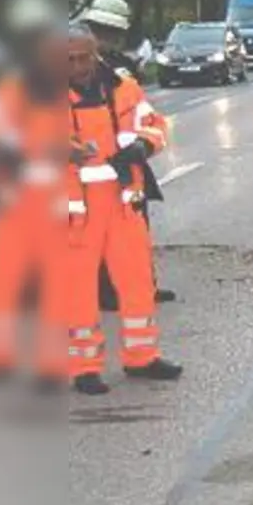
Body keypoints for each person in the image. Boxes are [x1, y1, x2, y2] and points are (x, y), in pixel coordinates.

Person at [0, 0, 71, 391]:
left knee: (54, 287)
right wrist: (0, 151)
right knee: (2, 280)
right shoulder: (16, 87)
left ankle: (50, 366)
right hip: (14, 199)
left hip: (54, 201)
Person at [64, 26, 183, 395]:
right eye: (69, 60)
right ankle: (85, 368)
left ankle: (142, 356)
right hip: (76, 210)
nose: (77, 66)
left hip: (123, 202)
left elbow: (155, 125)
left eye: (84, 57)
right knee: (78, 290)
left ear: (95, 52)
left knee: (137, 282)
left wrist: (143, 147)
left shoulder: (124, 88)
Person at [77, 0, 175, 306]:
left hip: (127, 165)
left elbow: (146, 116)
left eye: (112, 33)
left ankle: (141, 285)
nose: (106, 39)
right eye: (100, 31)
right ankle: (104, 291)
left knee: (135, 226)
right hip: (88, 170)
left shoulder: (122, 70)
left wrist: (143, 144)